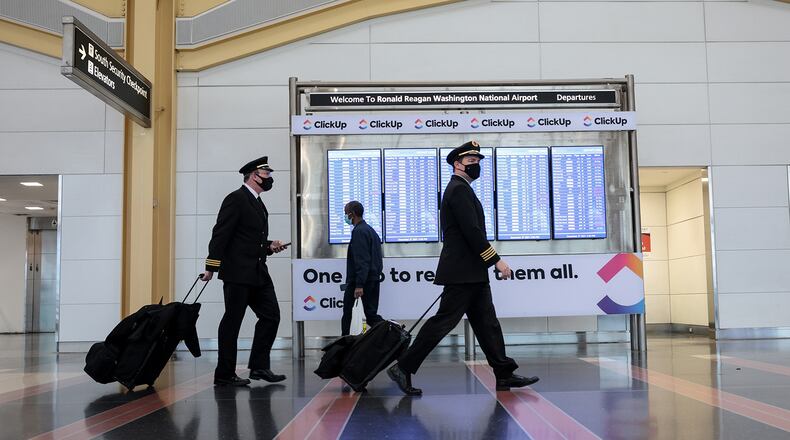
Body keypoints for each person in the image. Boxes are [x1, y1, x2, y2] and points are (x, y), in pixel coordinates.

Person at [387, 141, 540, 395]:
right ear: (457, 164)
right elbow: (472, 232)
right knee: (442, 323)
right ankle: (402, 367)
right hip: (462, 272)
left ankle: (504, 374)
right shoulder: (458, 190)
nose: (476, 165)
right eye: (471, 161)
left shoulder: (463, 189)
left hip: (471, 272)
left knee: (487, 324)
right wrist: (496, 260)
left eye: (478, 161)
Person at [202, 156, 289, 387]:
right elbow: (220, 235)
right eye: (267, 174)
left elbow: (248, 238)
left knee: (271, 316)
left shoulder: (258, 203)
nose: (270, 178)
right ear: (254, 175)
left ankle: (259, 367)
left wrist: (269, 245)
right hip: (237, 274)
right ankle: (224, 373)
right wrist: (211, 267)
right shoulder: (236, 199)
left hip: (258, 272)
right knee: (233, 322)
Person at [340, 201, 384, 335]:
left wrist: (359, 285)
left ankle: (344, 344)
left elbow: (362, 260)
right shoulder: (370, 230)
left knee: (348, 313)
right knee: (371, 315)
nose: (345, 216)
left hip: (360, 282)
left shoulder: (359, 232)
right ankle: (391, 333)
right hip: (372, 279)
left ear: (352, 214)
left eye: (345, 213)